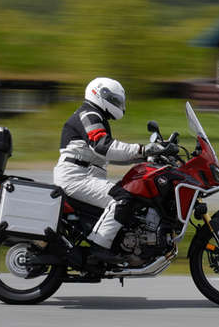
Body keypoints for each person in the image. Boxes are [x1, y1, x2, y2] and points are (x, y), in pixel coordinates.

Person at [53, 77, 167, 264]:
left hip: (82, 176)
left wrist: (145, 156)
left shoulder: (95, 115)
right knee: (122, 197)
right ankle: (99, 247)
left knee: (130, 195)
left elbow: (108, 154)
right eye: (114, 100)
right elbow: (102, 146)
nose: (118, 105)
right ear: (100, 95)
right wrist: (142, 149)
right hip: (76, 178)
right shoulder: (89, 114)